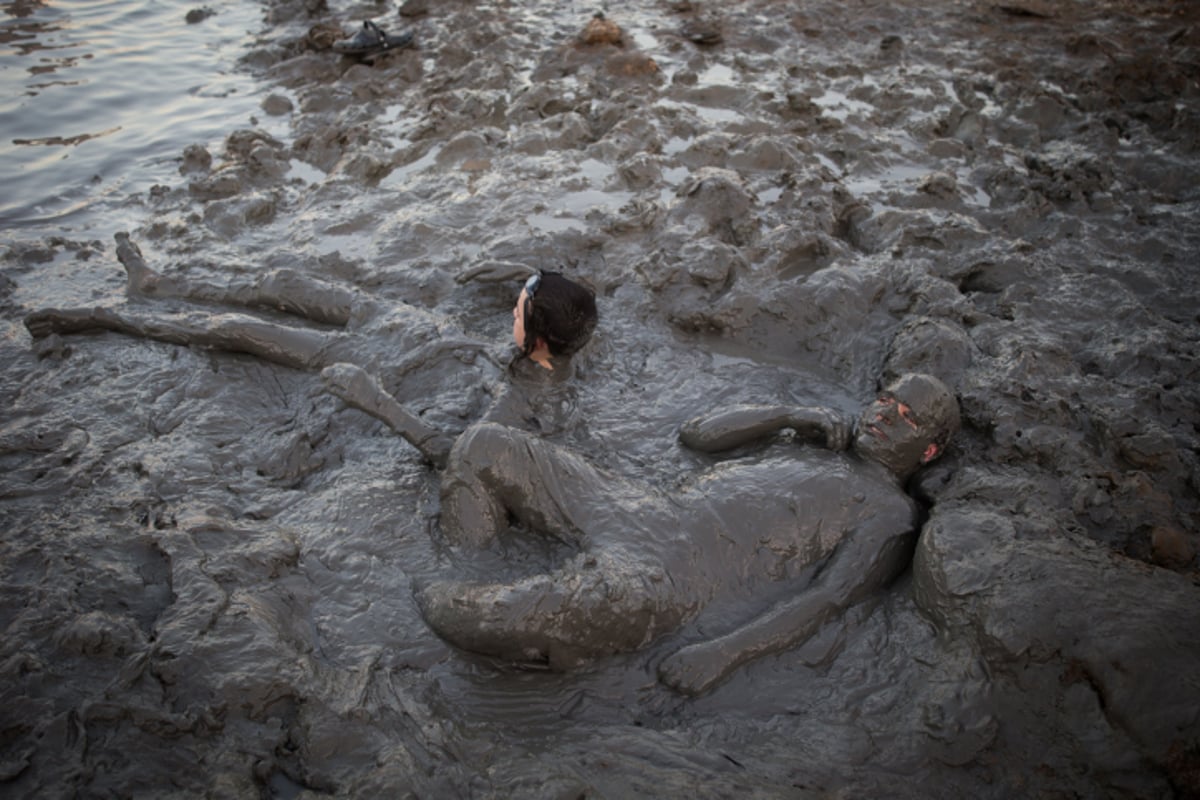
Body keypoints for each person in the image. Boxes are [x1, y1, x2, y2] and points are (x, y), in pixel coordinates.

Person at [413, 372, 961, 696]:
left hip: (674, 576)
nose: (883, 415)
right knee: (485, 445)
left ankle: (434, 599)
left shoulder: (891, 515)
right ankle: (468, 561)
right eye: (885, 400)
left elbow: (828, 598)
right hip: (644, 507)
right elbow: (698, 436)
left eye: (906, 417)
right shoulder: (817, 439)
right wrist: (788, 415)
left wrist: (722, 654)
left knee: (503, 618)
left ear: (929, 451)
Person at [24, 233, 598, 467]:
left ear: (538, 339)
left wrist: (374, 402)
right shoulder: (572, 335)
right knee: (280, 282)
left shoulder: (523, 407)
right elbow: (580, 307)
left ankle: (109, 319)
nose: (510, 311)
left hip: (374, 361)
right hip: (399, 323)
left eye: (518, 309)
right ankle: (154, 286)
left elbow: (453, 454)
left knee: (231, 330)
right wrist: (524, 275)